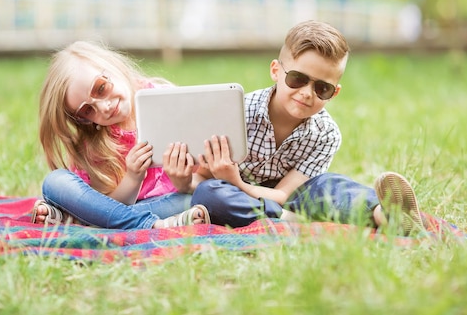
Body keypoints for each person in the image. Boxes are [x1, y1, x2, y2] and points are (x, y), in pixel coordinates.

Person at [164, 20, 425, 235]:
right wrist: (185, 180)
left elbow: (283, 194)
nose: (307, 93)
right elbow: (202, 179)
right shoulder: (234, 113)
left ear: (334, 93)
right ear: (276, 71)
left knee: (329, 185)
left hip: (290, 200)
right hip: (234, 197)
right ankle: (298, 222)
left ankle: (383, 213)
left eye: (322, 88)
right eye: (297, 79)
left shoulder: (326, 133)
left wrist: (237, 181)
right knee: (209, 194)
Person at [30, 40, 210, 229]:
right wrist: (133, 178)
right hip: (138, 211)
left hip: (172, 203)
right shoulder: (95, 144)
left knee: (200, 199)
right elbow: (108, 206)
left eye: (101, 88)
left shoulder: (165, 100)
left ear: (112, 66)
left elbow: (204, 179)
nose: (104, 107)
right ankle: (149, 225)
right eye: (87, 111)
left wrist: (185, 179)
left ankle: (80, 221)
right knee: (55, 182)